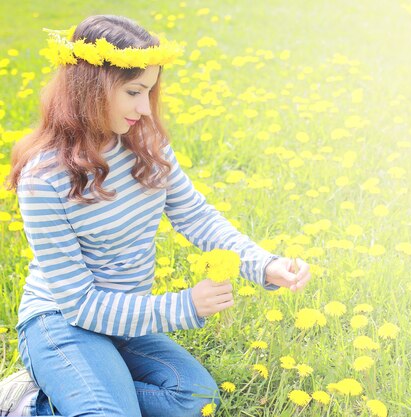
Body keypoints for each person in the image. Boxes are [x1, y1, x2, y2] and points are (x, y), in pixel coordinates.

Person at [0, 14, 311, 417]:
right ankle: (32, 402)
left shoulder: (146, 145)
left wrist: (264, 265)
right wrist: (185, 306)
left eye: (148, 91)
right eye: (133, 91)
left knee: (196, 400)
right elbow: (79, 305)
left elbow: (196, 217)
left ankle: (61, 396)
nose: (145, 108)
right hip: (63, 322)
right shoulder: (43, 178)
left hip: (126, 319)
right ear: (90, 88)